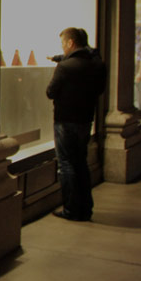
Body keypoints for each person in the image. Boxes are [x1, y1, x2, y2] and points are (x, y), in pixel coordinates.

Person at [46, 27, 106, 221]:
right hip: (85, 119)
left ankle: (71, 209)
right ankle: (85, 208)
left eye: (64, 43)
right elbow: (99, 88)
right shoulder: (97, 65)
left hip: (65, 120)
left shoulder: (65, 67)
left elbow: (50, 92)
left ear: (71, 43)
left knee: (66, 165)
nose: (62, 47)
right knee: (81, 163)